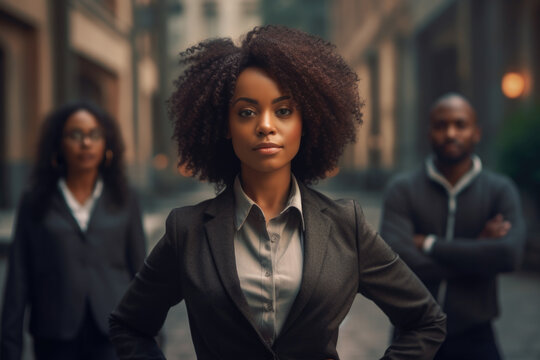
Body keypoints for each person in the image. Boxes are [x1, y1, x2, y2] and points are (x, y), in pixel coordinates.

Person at [109, 25, 446, 360]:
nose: (266, 125)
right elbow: (129, 325)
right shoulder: (187, 231)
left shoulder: (347, 225)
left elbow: (425, 321)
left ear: (306, 122)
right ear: (225, 126)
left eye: (283, 111)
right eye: (246, 112)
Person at [380, 93, 526, 360]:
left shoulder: (499, 190)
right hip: (411, 332)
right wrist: (480, 254)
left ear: (476, 132)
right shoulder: (402, 190)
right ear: (429, 133)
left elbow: (509, 255)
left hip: (476, 333)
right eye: (440, 125)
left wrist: (430, 244)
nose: (450, 133)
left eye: (460, 124)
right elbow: (396, 263)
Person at [1, 101, 147, 360]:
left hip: (114, 331)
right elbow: (18, 278)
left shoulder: (125, 198)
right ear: (58, 143)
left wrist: (151, 338)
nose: (86, 143)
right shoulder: (35, 200)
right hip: (54, 334)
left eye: (95, 134)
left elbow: (141, 273)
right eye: (75, 135)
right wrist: (9, 349)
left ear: (107, 144)